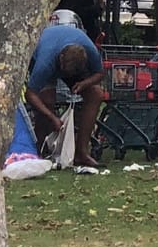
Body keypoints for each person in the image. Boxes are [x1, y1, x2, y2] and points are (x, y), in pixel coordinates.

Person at [26, 21, 106, 168]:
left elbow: (100, 73)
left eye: (69, 74)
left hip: (71, 63)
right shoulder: (45, 62)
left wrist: (84, 84)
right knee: (47, 101)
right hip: (45, 57)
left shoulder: (89, 50)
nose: (64, 76)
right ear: (61, 58)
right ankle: (38, 150)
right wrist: (52, 117)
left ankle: (82, 152)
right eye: (64, 71)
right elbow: (30, 94)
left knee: (96, 94)